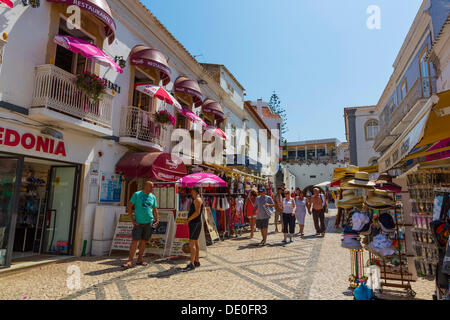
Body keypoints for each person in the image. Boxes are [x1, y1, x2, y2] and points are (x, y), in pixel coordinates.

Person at [122, 181, 159, 269]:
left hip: (149, 222)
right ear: (146, 186)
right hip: (138, 222)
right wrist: (132, 220)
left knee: (144, 241)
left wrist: (157, 219)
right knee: (135, 241)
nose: (152, 188)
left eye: (153, 187)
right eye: (151, 186)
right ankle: (130, 260)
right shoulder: (137, 194)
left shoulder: (152, 196)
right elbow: (129, 206)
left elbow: (155, 209)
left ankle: (139, 259)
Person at [182, 187, 204, 272]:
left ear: (195, 191)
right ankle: (196, 261)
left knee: (192, 243)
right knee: (195, 241)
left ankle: (191, 263)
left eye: (192, 191)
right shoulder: (198, 199)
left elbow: (197, 212)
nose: (191, 193)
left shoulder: (197, 200)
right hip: (197, 222)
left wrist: (188, 219)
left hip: (194, 223)